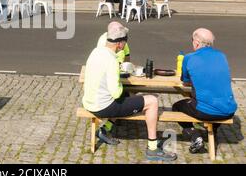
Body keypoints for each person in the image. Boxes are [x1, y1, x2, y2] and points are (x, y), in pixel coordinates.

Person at [82, 21, 177, 161]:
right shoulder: (112, 60)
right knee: (152, 101)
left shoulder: (96, 52)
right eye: (125, 42)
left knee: (128, 95)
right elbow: (116, 93)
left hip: (89, 102)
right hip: (103, 107)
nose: (126, 45)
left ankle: (106, 129)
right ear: (120, 43)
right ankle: (152, 148)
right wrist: (119, 83)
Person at [172, 28, 237, 153]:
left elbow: (185, 81)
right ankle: (213, 131)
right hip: (229, 110)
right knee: (209, 100)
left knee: (177, 106)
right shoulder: (222, 56)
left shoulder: (189, 58)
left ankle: (195, 136)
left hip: (205, 111)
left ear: (196, 42)